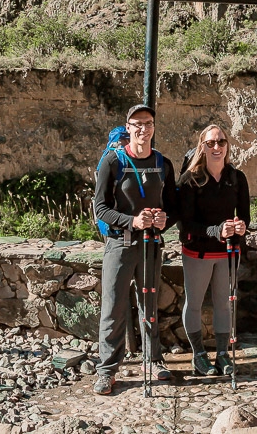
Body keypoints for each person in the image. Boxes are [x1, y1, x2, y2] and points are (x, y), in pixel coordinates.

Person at [93, 104, 178, 395]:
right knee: (113, 306)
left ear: (154, 127)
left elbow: (173, 206)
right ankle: (107, 370)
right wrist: (132, 221)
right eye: (137, 123)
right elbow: (101, 208)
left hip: (151, 243)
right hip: (120, 243)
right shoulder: (113, 162)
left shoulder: (163, 164)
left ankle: (153, 360)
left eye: (148, 123)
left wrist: (165, 220)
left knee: (149, 305)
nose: (144, 128)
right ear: (128, 128)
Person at [177, 124, 250, 377]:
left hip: (228, 252)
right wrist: (215, 230)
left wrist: (240, 226)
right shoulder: (190, 180)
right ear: (202, 147)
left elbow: (245, 216)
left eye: (221, 142)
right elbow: (185, 223)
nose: (216, 147)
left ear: (227, 145)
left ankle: (222, 354)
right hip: (198, 252)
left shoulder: (236, 178)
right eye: (210, 143)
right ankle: (198, 354)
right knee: (194, 304)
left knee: (224, 305)